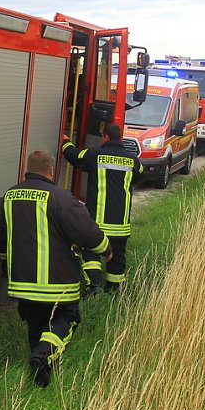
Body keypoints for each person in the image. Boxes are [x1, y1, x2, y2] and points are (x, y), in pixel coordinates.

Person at [0, 150, 109, 387]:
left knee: (37, 324)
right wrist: (106, 249)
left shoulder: (9, 196)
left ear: (27, 169)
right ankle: (44, 354)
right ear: (52, 170)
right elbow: (86, 231)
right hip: (57, 283)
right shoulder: (60, 198)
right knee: (67, 318)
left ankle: (39, 374)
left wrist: (7, 265)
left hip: (22, 283)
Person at [62, 122, 143, 293]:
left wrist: (65, 142)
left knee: (90, 252)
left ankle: (95, 285)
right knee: (117, 256)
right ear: (120, 138)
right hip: (120, 226)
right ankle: (114, 288)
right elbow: (139, 177)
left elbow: (75, 156)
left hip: (97, 225)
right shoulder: (133, 160)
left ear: (105, 136)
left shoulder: (95, 155)